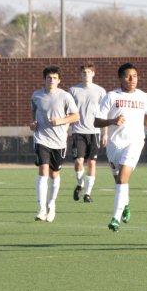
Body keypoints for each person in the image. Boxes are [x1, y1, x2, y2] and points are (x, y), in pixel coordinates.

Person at [94, 63, 147, 232]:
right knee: (118, 180)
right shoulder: (111, 97)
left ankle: (115, 218)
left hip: (135, 142)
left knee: (123, 178)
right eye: (128, 76)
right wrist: (112, 121)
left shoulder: (144, 97)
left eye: (135, 76)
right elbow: (96, 121)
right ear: (121, 78)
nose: (132, 79)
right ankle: (126, 204)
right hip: (115, 144)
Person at [30, 66, 80, 222]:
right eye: (48, 77)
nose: (51, 80)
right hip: (41, 138)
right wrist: (33, 124)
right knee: (43, 169)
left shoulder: (65, 96)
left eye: (54, 78)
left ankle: (52, 204)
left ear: (59, 80)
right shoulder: (36, 95)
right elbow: (34, 113)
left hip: (59, 141)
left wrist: (60, 121)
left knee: (54, 174)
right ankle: (41, 208)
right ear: (44, 79)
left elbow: (76, 116)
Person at [68, 63, 108, 203]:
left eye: (89, 72)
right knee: (78, 162)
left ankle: (87, 194)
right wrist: (66, 129)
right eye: (83, 72)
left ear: (93, 74)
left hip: (94, 132)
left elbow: (104, 114)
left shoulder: (100, 91)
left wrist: (105, 133)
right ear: (80, 74)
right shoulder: (73, 90)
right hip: (78, 131)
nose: (86, 75)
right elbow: (69, 112)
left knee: (92, 163)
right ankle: (80, 184)